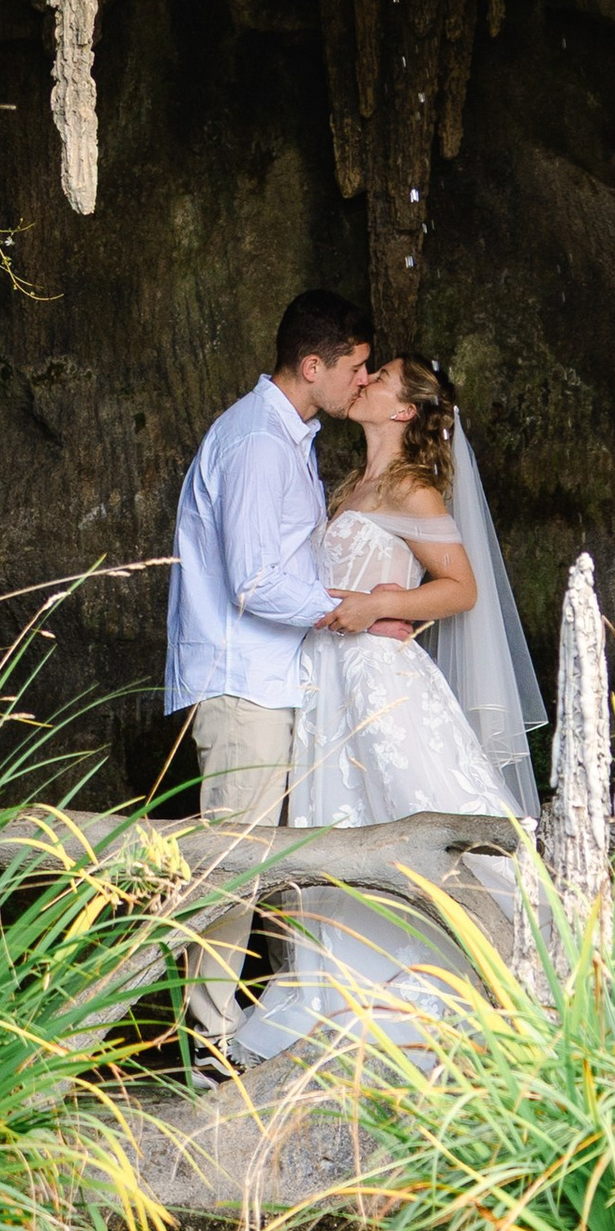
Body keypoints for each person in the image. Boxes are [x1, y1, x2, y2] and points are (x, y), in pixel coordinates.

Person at [231, 354, 548, 1064]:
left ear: (404, 410)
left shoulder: (413, 491)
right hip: (326, 683)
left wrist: (385, 605)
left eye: (381, 377)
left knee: (408, 808)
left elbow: (460, 587)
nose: (365, 379)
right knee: (337, 824)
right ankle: (345, 990)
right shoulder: (352, 486)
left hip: (378, 681)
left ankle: (489, 975)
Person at [164, 290, 436, 1056]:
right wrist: (358, 610)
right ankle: (210, 1047)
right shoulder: (257, 442)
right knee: (229, 865)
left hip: (277, 683)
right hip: (243, 686)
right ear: (313, 365)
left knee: (251, 863)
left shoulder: (289, 439)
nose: (362, 379)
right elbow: (255, 582)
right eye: (356, 366)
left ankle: (222, 1033)